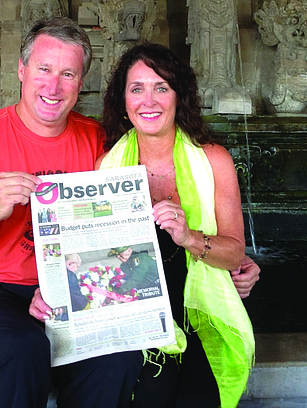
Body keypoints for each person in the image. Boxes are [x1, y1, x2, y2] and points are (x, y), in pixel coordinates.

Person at [0, 17, 142, 408]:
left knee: (120, 357)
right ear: (21, 69)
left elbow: (115, 235)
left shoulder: (99, 141)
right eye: (44, 69)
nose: (54, 86)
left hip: (70, 291)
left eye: (68, 73)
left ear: (81, 81)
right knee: (20, 349)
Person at [97, 42, 255, 408]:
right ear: (123, 101)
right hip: (136, 316)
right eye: (137, 89)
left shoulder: (213, 160)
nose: (148, 101)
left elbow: (234, 256)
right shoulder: (106, 166)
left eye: (161, 88)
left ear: (179, 97)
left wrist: (189, 237)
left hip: (200, 313)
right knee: (151, 389)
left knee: (197, 398)